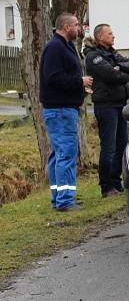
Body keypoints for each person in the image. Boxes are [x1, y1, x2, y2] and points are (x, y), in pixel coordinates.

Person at [39, 13, 93, 212]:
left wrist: (80, 87)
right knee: (66, 154)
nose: (79, 28)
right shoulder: (55, 47)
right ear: (66, 27)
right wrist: (79, 82)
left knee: (59, 154)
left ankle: (59, 197)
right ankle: (64, 201)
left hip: (64, 108)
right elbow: (53, 78)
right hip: (60, 110)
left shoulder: (66, 46)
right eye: (76, 25)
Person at [84, 24, 129, 198]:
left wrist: (120, 68)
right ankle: (106, 186)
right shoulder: (93, 56)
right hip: (106, 106)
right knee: (108, 147)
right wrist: (125, 76)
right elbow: (109, 75)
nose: (113, 36)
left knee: (122, 144)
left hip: (120, 104)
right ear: (100, 37)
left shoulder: (113, 53)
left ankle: (116, 181)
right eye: (110, 33)